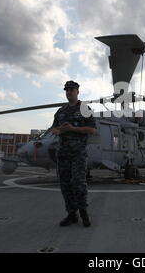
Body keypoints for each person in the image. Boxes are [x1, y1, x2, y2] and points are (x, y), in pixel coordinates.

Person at [51, 80, 96, 227]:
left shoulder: (85, 109)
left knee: (78, 183)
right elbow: (54, 129)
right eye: (67, 90)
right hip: (62, 153)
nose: (69, 92)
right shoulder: (61, 111)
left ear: (77, 91)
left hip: (78, 153)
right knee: (65, 185)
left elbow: (92, 130)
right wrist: (59, 130)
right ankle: (71, 214)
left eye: (72, 89)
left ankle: (83, 211)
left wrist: (72, 129)